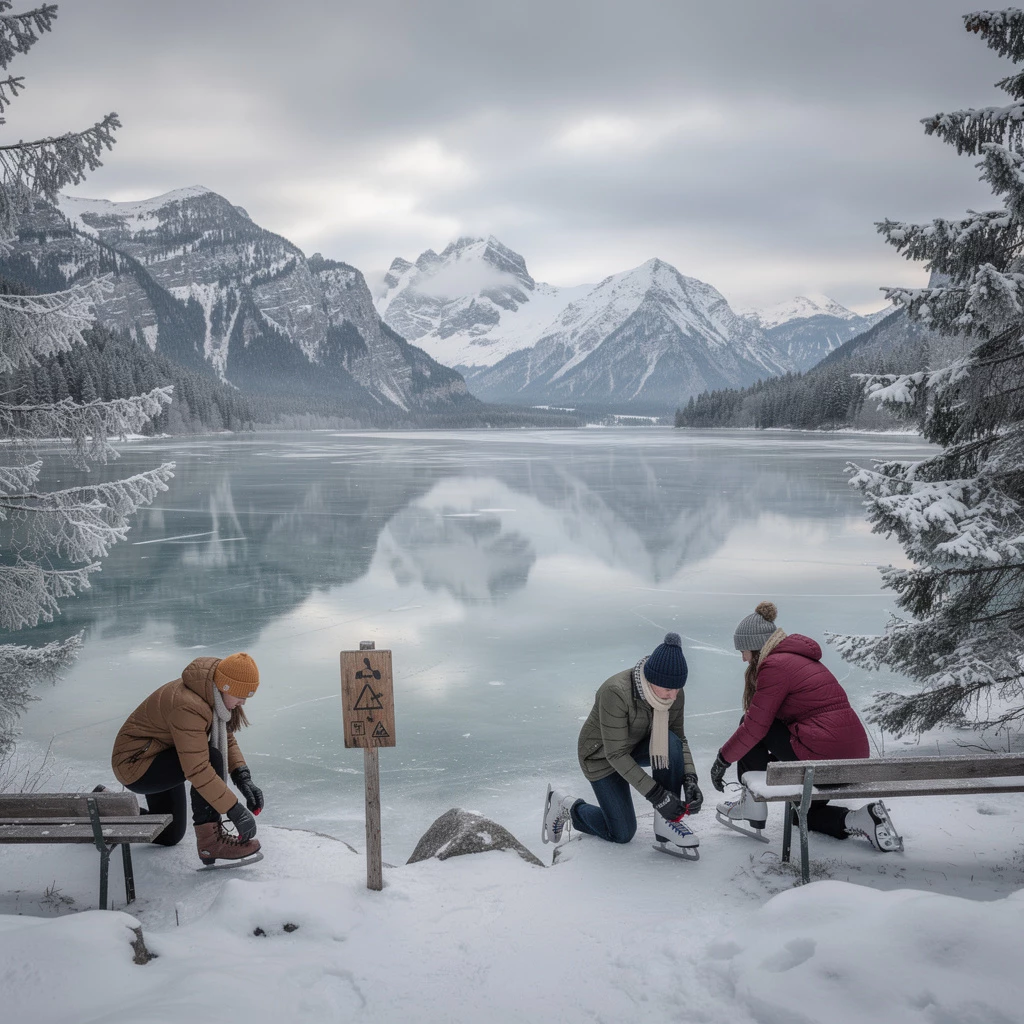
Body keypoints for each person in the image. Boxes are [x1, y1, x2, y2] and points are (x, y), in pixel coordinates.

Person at [709, 601, 901, 852]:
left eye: (743, 650)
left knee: (750, 725)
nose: (743, 658)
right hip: (850, 758)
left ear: (756, 647)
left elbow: (756, 727)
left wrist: (722, 759)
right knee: (800, 815)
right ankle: (861, 819)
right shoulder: (799, 660)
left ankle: (752, 805)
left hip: (823, 756)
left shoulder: (775, 666)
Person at [542, 632, 703, 854]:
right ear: (652, 679)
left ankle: (668, 822)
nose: (673, 696)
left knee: (671, 742)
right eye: (668, 689)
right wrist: (658, 795)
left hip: (635, 747)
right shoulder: (615, 692)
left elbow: (679, 739)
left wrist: (690, 780)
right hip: (601, 758)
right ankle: (567, 806)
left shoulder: (673, 693)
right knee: (622, 833)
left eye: (677, 689)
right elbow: (615, 754)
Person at [111, 653, 266, 866]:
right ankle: (211, 843)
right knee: (211, 758)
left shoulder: (210, 693)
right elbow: (198, 768)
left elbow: (226, 738)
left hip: (162, 755)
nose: (243, 702)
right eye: (240, 695)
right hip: (137, 765)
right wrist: (234, 809)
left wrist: (243, 777)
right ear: (226, 687)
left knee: (170, 834)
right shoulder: (189, 705)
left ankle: (108, 812)